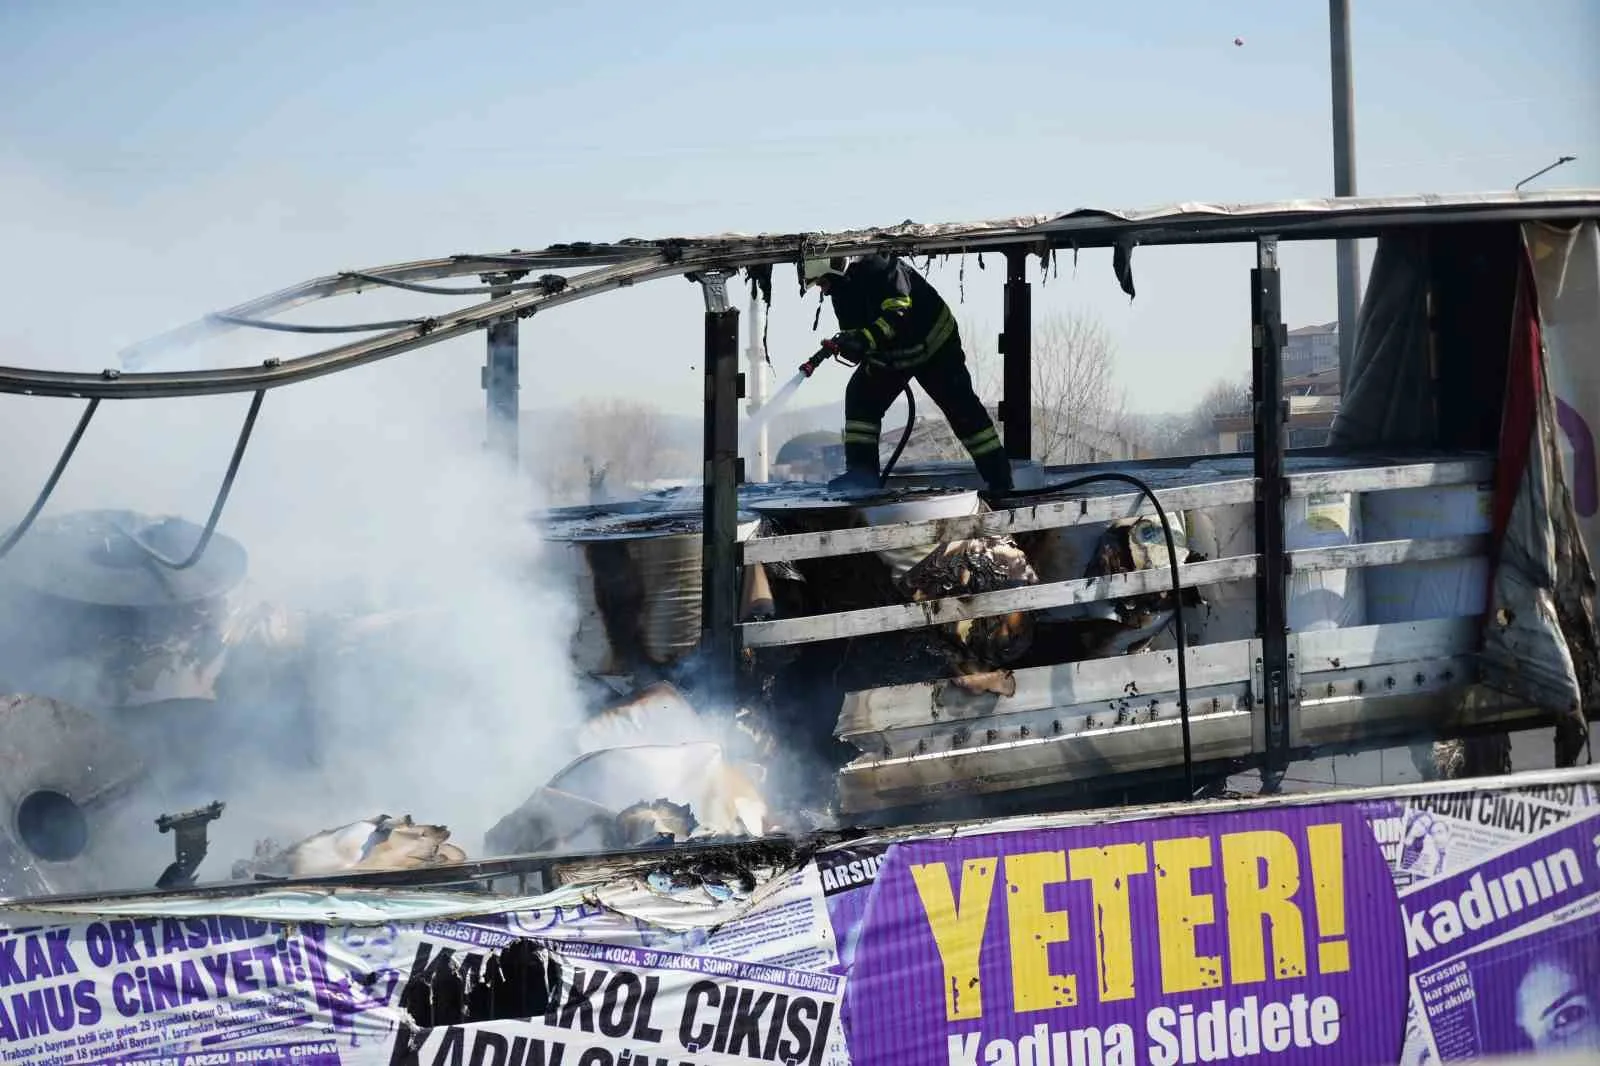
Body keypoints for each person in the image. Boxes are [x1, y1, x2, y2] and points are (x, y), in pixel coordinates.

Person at [803, 253, 1013, 494]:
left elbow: (898, 315)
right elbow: (857, 332)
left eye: (822, 282)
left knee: (962, 411)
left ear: (836, 268)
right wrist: (852, 345)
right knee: (860, 398)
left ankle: (1000, 480)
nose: (823, 289)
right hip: (894, 356)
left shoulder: (881, 267)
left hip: (934, 347)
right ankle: (861, 479)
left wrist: (865, 340)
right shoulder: (841, 292)